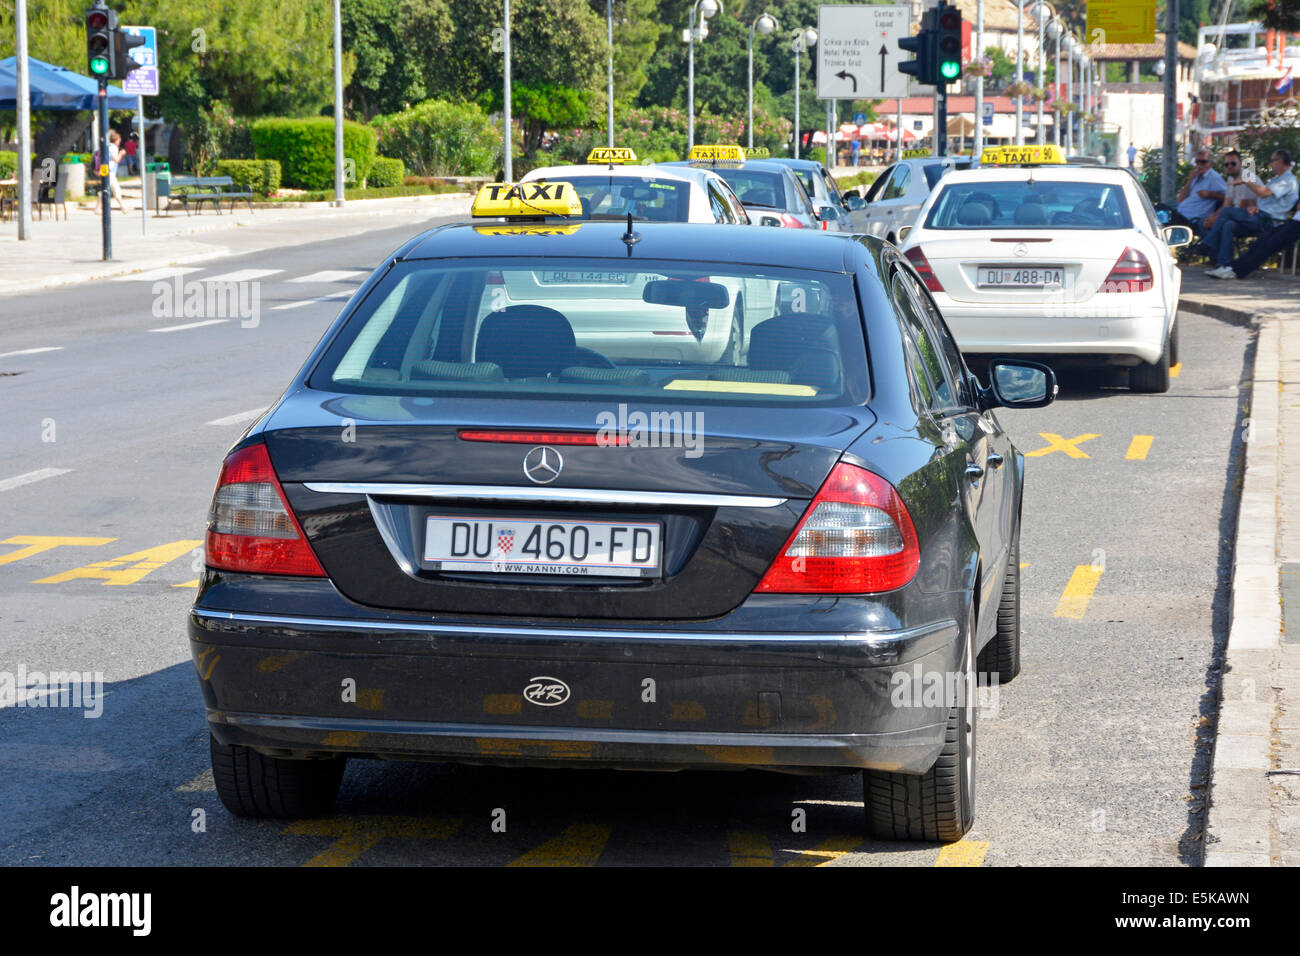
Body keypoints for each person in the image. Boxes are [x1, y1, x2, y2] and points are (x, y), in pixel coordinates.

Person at [1201, 148, 1297, 277]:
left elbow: (1263, 193)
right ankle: (1225, 266)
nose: (1270, 164)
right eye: (1226, 164)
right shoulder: (1276, 179)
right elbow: (1266, 201)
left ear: (1280, 161)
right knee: (1228, 225)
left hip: (1268, 221)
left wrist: (1246, 182)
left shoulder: (1287, 180)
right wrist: (1255, 206)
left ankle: (1207, 244)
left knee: (1228, 212)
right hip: (1258, 216)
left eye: (1272, 161)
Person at [1217, 210, 1300, 279]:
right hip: (1294, 221)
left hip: (1296, 225)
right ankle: (1232, 266)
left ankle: (1237, 271)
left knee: (1270, 244)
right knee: (1261, 241)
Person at [1166, 149, 1226, 232]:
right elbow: (1181, 200)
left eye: (1203, 162)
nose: (1200, 165)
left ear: (1210, 163)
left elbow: (1229, 197)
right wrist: (1190, 179)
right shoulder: (1196, 177)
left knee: (1160, 211)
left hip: (1192, 219)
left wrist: (1210, 194)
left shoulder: (1214, 178)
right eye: (1197, 162)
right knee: (1159, 210)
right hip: (1181, 214)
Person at [1200, 150, 1251, 232]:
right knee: (1206, 221)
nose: (1229, 166)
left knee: (1224, 223)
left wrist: (1217, 218)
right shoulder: (1231, 178)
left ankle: (1207, 244)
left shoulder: (1247, 177)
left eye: (1233, 163)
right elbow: (1226, 204)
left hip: (1251, 216)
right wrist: (1213, 217)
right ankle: (1210, 244)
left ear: (1241, 163)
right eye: (1226, 164)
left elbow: (1243, 206)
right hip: (1235, 214)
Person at [91, 130, 130, 215]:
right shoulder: (113, 148)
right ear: (116, 140)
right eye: (119, 140)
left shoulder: (107, 146)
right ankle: (123, 207)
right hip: (110, 172)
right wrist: (121, 153)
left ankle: (97, 208)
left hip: (106, 171)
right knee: (116, 189)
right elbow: (116, 160)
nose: (120, 142)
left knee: (105, 189)